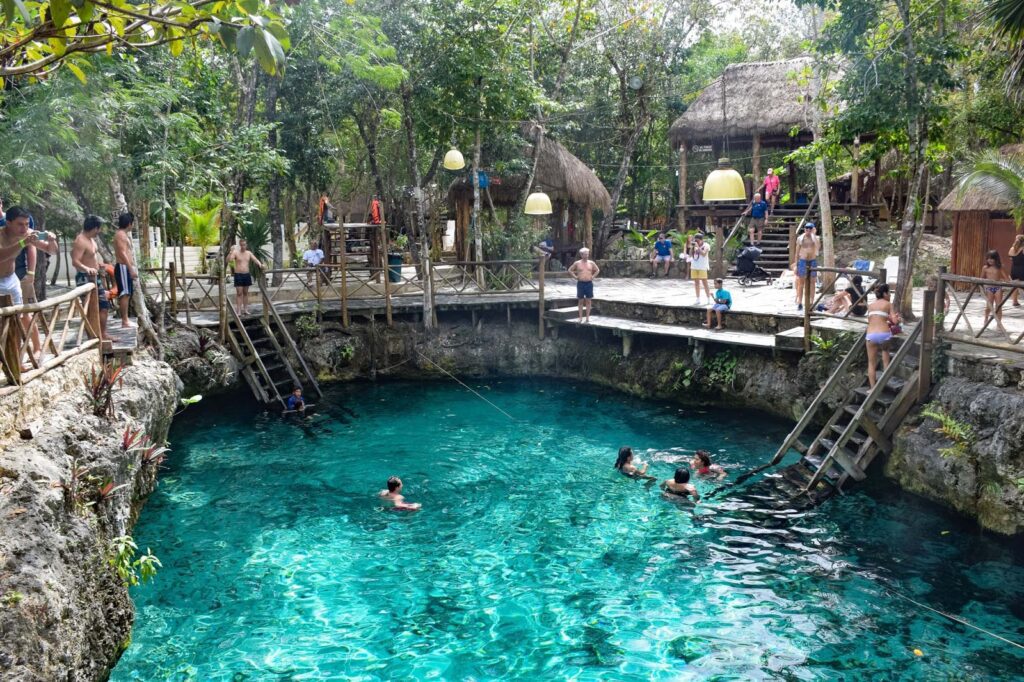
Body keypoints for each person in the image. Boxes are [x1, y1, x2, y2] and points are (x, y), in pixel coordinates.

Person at [71, 215, 111, 339]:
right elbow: (75, 261)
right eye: (99, 229)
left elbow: (91, 257)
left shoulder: (92, 240)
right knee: (89, 307)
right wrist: (87, 268)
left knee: (103, 306)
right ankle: (92, 336)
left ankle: (102, 334)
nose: (99, 231)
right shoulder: (80, 240)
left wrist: (99, 265)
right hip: (85, 277)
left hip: (96, 277)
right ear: (94, 228)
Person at [865, 283, 900, 388]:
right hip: (884, 334)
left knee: (871, 363)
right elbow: (894, 321)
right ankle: (884, 383)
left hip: (871, 335)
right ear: (884, 293)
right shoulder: (888, 304)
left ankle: (872, 389)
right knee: (885, 357)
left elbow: (870, 320)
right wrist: (898, 319)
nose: (890, 295)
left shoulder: (871, 305)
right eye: (889, 292)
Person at [112, 211, 138, 329]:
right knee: (125, 294)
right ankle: (125, 321)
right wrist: (130, 268)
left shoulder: (122, 234)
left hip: (124, 267)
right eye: (132, 223)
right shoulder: (121, 235)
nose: (133, 225)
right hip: (123, 267)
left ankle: (125, 320)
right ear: (129, 223)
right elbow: (122, 253)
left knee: (127, 294)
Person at [228, 238, 263, 316]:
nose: (243, 246)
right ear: (240, 245)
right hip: (238, 275)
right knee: (239, 293)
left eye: (244, 245)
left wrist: (260, 264)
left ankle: (246, 310)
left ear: (246, 245)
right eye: (241, 245)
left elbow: (255, 260)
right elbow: (229, 260)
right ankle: (239, 311)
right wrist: (231, 252)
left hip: (246, 274)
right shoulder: (236, 252)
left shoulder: (249, 253)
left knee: (246, 293)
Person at [568, 247, 600, 323]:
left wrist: (593, 277)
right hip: (581, 283)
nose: (586, 256)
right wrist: (575, 277)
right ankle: (580, 317)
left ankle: (588, 317)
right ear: (581, 255)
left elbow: (597, 270)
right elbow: (570, 270)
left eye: (587, 254)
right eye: (585, 254)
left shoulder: (591, 263)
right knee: (580, 300)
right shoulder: (577, 263)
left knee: (589, 300)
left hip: (589, 283)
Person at [981, 249, 1009, 334]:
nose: (990, 260)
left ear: (996, 259)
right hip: (989, 288)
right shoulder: (985, 268)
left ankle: (998, 323)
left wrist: (1006, 282)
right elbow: (981, 278)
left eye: (992, 258)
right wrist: (981, 288)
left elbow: (1006, 278)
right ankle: (986, 319)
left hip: (998, 288)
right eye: (988, 258)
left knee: (998, 306)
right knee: (989, 305)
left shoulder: (1000, 267)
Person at [794, 223, 820, 311]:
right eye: (806, 228)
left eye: (810, 228)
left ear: (813, 229)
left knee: (813, 282)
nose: (808, 230)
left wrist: (813, 234)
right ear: (804, 229)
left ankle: (811, 302)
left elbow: (818, 246)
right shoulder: (800, 238)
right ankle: (800, 302)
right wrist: (796, 265)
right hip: (802, 261)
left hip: (812, 260)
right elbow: (797, 252)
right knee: (801, 283)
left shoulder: (816, 238)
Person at [686, 233, 711, 305]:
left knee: (705, 283)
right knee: (696, 283)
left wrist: (698, 247)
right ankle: (698, 299)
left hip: (702, 266)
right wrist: (692, 248)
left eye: (698, 241)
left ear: (701, 240)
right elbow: (690, 254)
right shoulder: (694, 246)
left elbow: (703, 254)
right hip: (694, 266)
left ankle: (708, 298)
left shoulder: (706, 245)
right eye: (695, 240)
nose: (697, 242)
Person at [1008, 234, 1024, 307]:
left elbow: (1011, 258)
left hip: (1014, 270)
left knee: (1015, 286)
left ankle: (1015, 301)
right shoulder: (1023, 249)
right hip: (1022, 269)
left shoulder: (1012, 249)